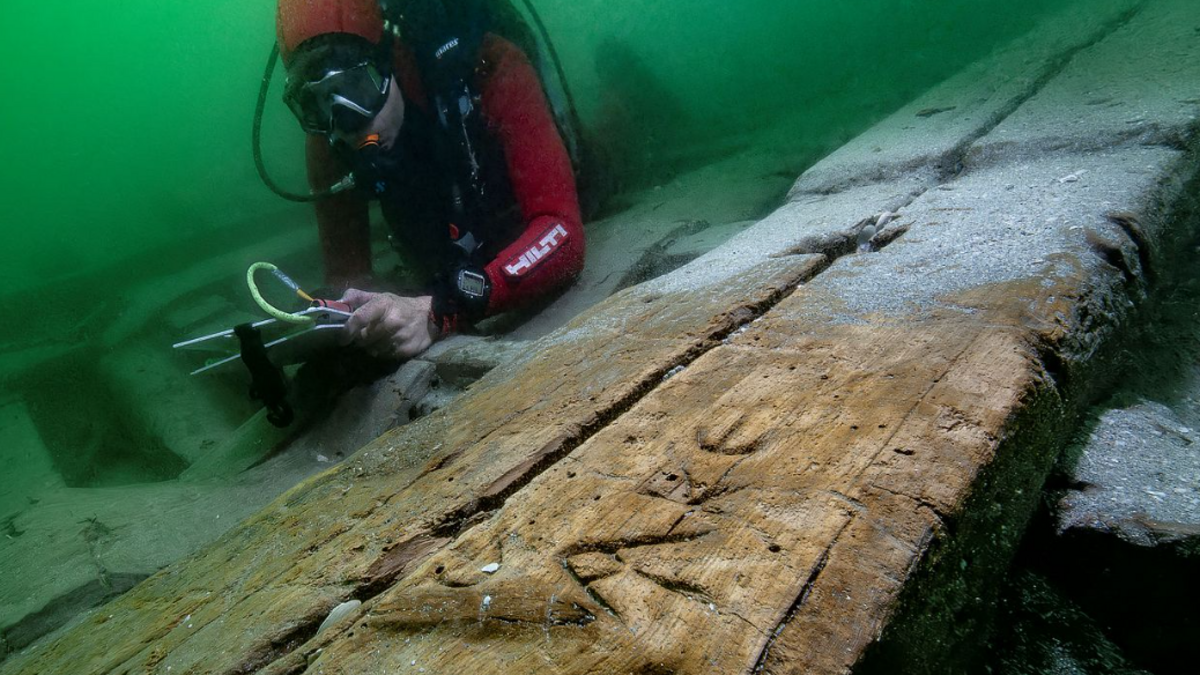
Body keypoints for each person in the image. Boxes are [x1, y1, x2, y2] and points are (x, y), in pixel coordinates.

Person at [276, 0, 585, 360]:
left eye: (357, 86)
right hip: (451, 242)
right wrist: (339, 315)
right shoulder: (327, 139)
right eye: (314, 103)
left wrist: (443, 309)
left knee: (600, 174)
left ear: (390, 60)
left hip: (520, 205)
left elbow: (561, 230)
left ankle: (621, 94)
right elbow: (348, 276)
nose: (345, 122)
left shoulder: (488, 64)